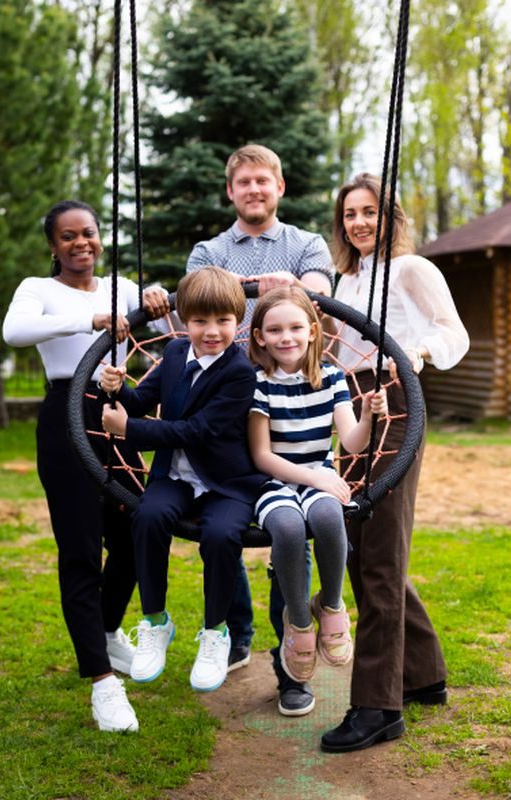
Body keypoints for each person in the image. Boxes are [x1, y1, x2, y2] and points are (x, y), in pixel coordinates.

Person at [143, 143, 334, 716]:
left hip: (282, 398)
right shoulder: (210, 250)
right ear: (231, 191)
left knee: (289, 532)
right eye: (243, 182)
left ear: (279, 186)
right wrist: (161, 298)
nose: (254, 190)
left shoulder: (306, 244)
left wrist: (290, 285)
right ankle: (234, 632)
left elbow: (317, 294)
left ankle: (290, 664)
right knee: (221, 523)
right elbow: (195, 298)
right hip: (222, 399)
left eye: (262, 181)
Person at [320, 174, 470, 752]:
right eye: (350, 214)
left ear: (390, 217)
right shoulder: (348, 279)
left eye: (369, 212)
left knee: (381, 552)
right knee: (359, 544)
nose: (359, 222)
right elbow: (338, 350)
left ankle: (378, 705)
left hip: (397, 401)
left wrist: (415, 351)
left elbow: (452, 332)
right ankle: (423, 673)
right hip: (353, 408)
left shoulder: (410, 269)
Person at [2, 200, 141, 733]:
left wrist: (156, 298)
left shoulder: (122, 287)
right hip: (66, 413)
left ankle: (106, 631)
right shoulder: (38, 288)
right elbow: (15, 332)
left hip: (116, 413)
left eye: (88, 232)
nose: (81, 242)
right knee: (81, 548)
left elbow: (178, 321)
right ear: (53, 245)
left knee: (137, 533)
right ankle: (103, 683)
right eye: (68, 236)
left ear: (100, 236)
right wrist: (90, 319)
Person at [99, 266, 267, 693]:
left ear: (238, 321)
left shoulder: (239, 372)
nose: (211, 331)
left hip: (225, 482)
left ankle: (216, 631)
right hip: (175, 475)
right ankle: (156, 621)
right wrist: (116, 390)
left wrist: (129, 429)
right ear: (184, 321)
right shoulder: (175, 353)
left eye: (223, 321)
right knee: (148, 517)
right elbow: (142, 399)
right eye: (199, 321)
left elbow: (198, 430)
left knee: (222, 535)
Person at [247, 287, 387, 696]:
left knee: (328, 517)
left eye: (295, 328)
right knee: (289, 529)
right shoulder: (259, 384)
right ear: (259, 337)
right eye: (275, 330)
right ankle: (298, 620)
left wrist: (366, 415)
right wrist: (314, 478)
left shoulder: (332, 378)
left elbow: (353, 442)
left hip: (319, 478)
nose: (286, 337)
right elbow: (261, 456)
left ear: (312, 331)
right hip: (275, 481)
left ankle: (331, 605)